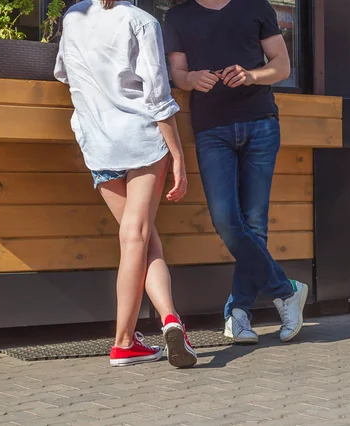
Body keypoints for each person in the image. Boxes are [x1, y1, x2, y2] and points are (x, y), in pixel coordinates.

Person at [54, 0, 197, 368]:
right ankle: (127, 339)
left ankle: (161, 324)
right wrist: (178, 154)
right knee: (138, 237)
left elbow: (64, 73)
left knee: (142, 239)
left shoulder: (74, 17)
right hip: (141, 141)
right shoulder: (143, 21)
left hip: (98, 142)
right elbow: (157, 97)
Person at [163, 0, 308, 344]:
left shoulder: (255, 6)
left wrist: (251, 75)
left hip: (261, 123)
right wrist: (190, 78)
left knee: (254, 224)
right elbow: (177, 73)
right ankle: (286, 290)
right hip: (211, 129)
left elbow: (282, 66)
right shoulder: (178, 15)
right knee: (226, 220)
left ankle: (238, 313)